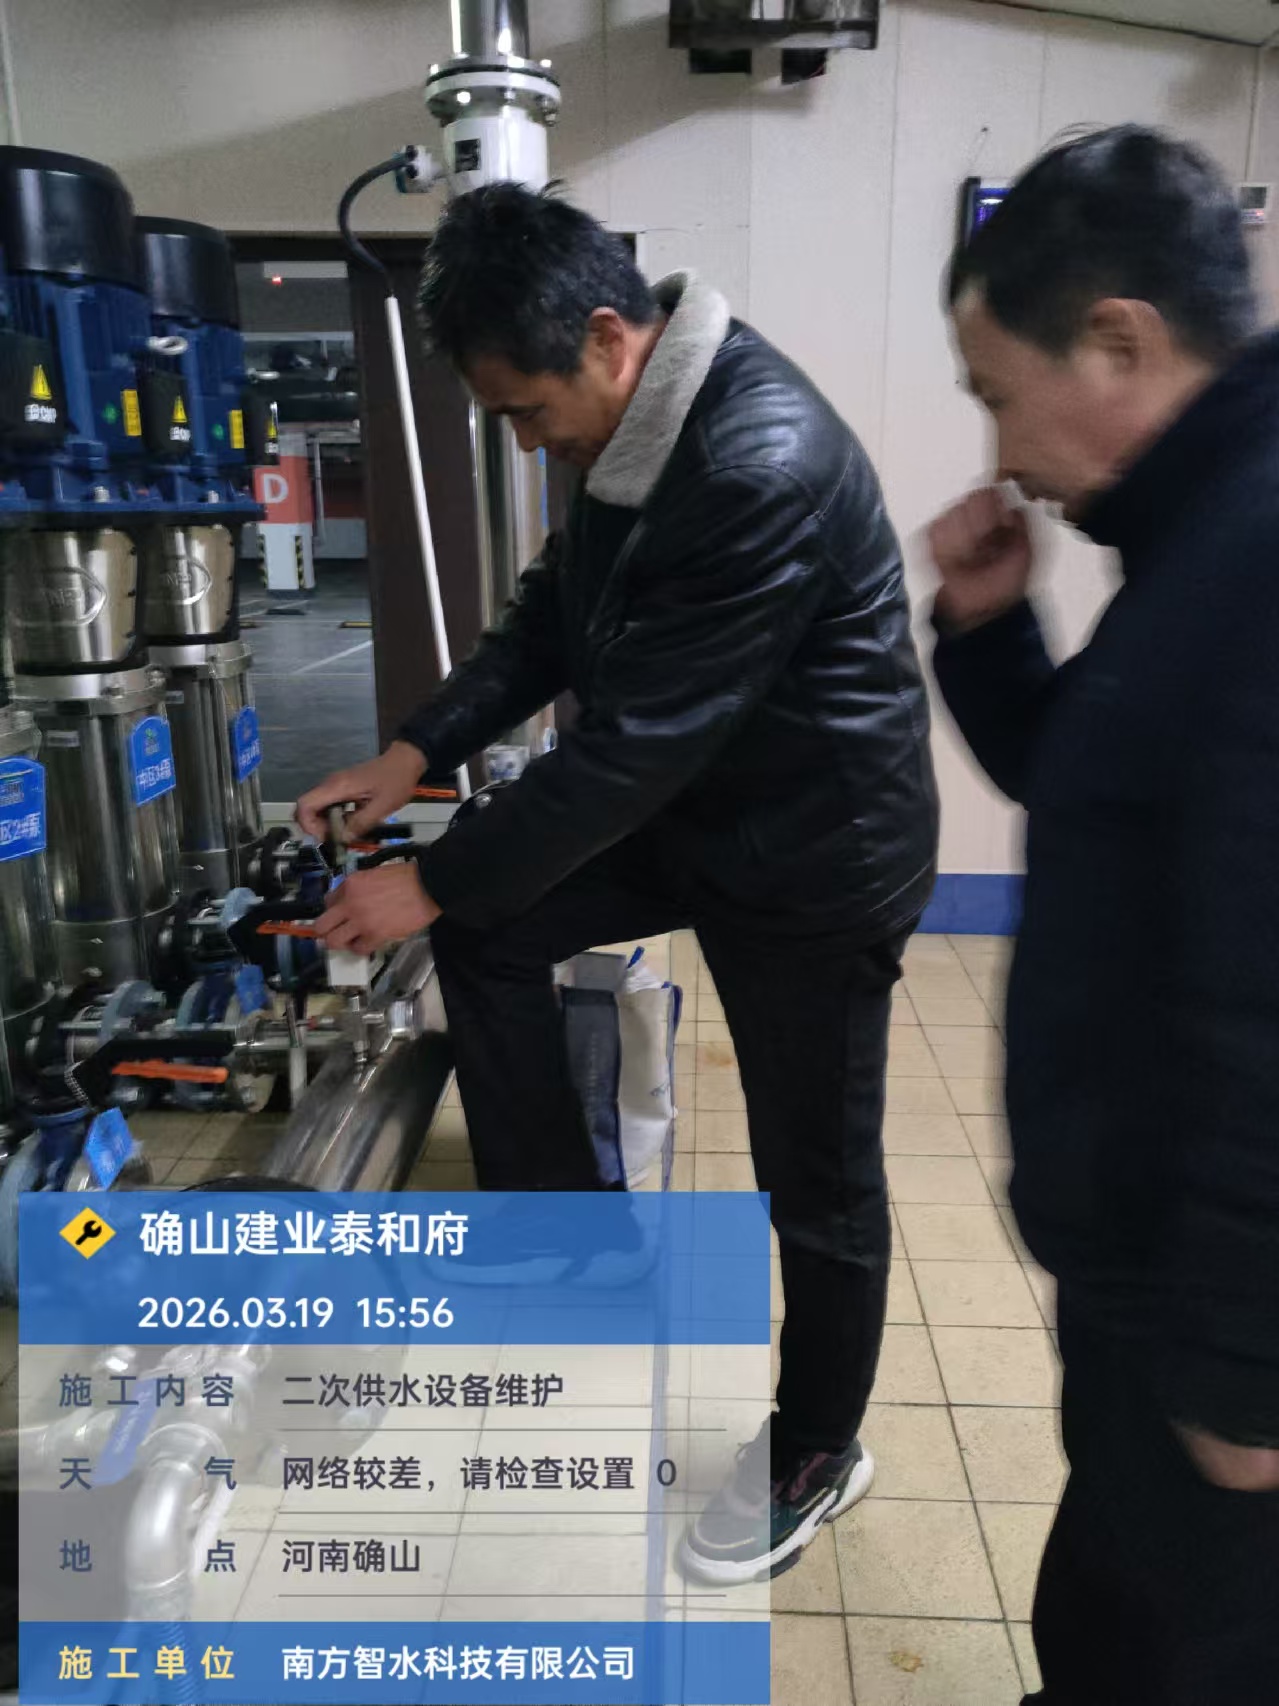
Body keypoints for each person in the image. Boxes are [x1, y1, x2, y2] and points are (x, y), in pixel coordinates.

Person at [297, 182, 937, 1582]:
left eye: (529, 414)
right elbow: (550, 623)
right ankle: (571, 1242)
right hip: (709, 808)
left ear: (605, 335)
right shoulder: (634, 424)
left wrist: (434, 879)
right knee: (496, 929)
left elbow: (635, 743)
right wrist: (413, 752)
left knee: (815, 1175)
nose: (531, 443)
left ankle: (819, 1447)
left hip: (815, 856)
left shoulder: (756, 463)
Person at [928, 126, 1279, 1705]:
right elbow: (1113, 807)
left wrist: (1247, 1380)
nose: (1001, 450)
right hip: (1148, 1282)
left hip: (1218, 1334)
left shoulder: (1259, 553)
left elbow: (1269, 1017)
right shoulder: (1199, 533)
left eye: (1000, 392)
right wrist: (992, 628)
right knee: (1108, 1615)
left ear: (1120, 340)